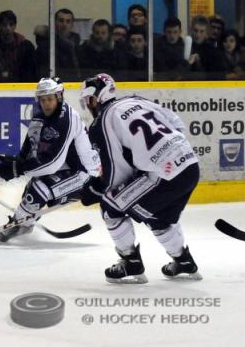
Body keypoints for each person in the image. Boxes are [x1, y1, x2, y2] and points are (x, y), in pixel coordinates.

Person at [80, 73, 202, 283]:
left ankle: (131, 262)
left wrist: (96, 189)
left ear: (95, 98)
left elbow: (115, 176)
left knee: (110, 207)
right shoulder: (136, 100)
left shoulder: (102, 123)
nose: (89, 106)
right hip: (190, 166)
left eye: (88, 100)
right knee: (158, 216)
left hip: (164, 176)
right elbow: (176, 123)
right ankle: (184, 262)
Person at [0, 78, 101, 242]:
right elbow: (30, 147)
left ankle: (19, 223)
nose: (46, 104)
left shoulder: (67, 119)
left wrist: (17, 169)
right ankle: (25, 224)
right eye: (43, 100)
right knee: (31, 188)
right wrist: (17, 162)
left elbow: (52, 162)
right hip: (66, 167)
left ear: (59, 97)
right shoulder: (39, 117)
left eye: (50, 99)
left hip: (85, 174)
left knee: (38, 189)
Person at [0, 10, 37, 82]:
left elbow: (32, 71)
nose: (8, 28)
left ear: (15, 26)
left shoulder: (26, 46)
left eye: (11, 24)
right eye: (4, 25)